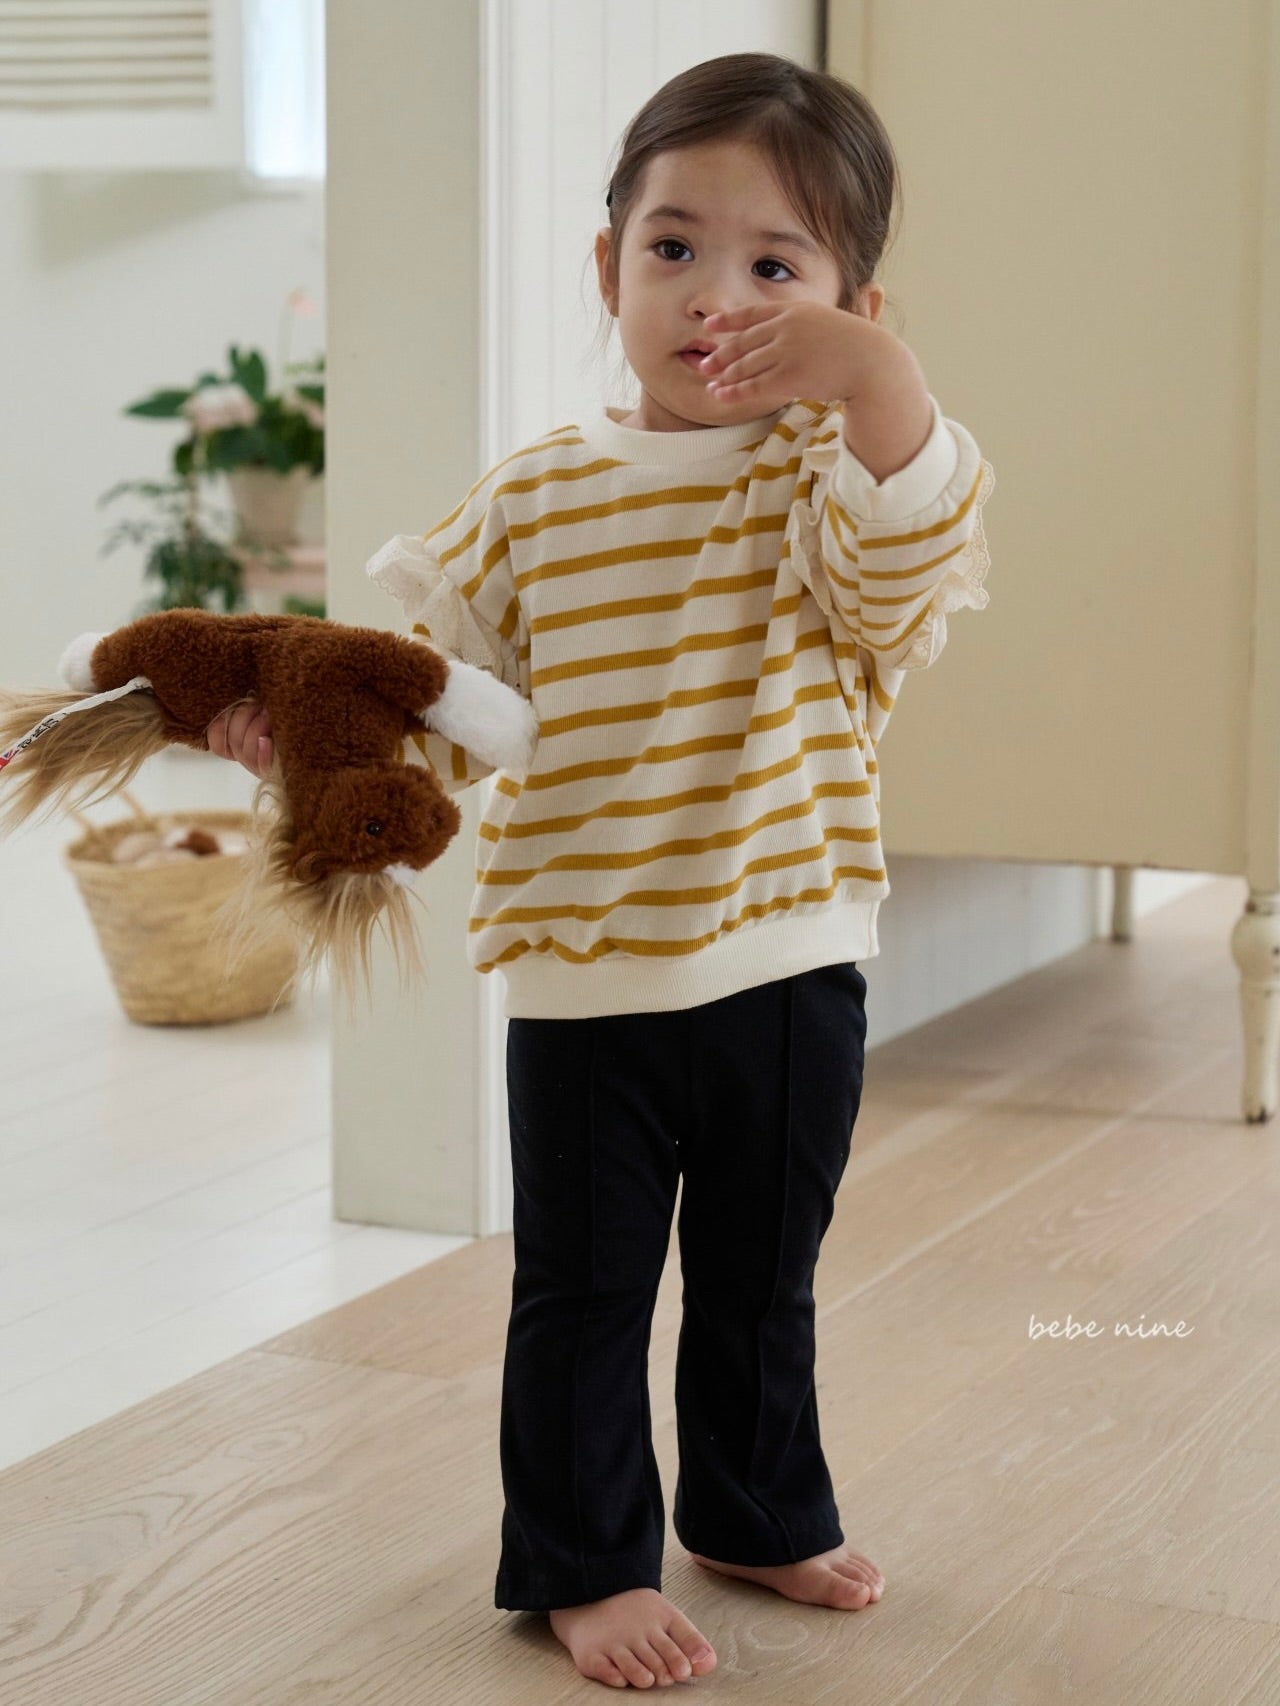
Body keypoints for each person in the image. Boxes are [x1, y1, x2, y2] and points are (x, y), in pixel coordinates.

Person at [210, 50, 993, 1693]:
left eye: (777, 268)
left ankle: (756, 1507)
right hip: (585, 980)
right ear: (608, 265)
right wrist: (314, 750)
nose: (717, 296)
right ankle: (582, 1558)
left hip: (790, 964)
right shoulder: (530, 504)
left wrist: (879, 382)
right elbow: (437, 712)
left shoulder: (823, 485)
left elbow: (909, 553)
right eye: (675, 248)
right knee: (581, 1291)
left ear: (853, 308)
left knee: (761, 1283)